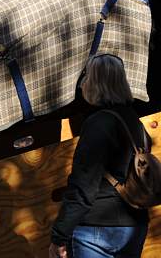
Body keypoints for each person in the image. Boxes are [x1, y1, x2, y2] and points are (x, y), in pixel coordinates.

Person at [49, 54, 149, 258]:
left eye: (86, 77)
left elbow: (83, 186)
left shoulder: (98, 124)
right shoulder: (133, 120)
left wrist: (59, 236)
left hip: (97, 228)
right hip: (135, 223)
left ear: (94, 83)